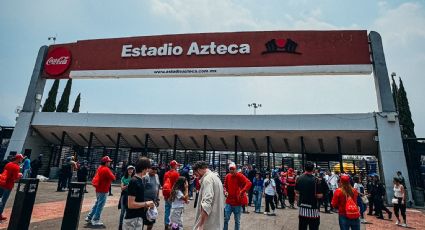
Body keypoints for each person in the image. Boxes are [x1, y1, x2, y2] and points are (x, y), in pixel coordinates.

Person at [123, 157, 155, 230]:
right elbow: (131, 204)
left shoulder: (139, 180)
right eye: (148, 168)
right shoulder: (134, 181)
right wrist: (146, 204)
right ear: (144, 168)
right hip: (133, 219)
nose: (149, 170)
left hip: (136, 218)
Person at [192, 161, 224, 230]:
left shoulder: (207, 179)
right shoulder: (215, 177)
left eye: (196, 173)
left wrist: (201, 225)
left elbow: (206, 203)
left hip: (209, 224)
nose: (196, 176)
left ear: (199, 170)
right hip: (216, 223)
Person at [85, 156, 116, 226]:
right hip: (103, 189)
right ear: (106, 162)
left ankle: (89, 217)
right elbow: (113, 178)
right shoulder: (106, 169)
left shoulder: (100, 168)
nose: (110, 163)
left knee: (97, 204)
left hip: (98, 189)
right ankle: (96, 219)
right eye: (109, 162)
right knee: (100, 205)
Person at [223, 163, 252, 230]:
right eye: (230, 170)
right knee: (225, 219)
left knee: (237, 221)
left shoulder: (240, 176)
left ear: (235, 169)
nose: (232, 172)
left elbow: (249, 183)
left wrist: (242, 191)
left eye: (233, 170)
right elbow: (225, 187)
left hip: (237, 203)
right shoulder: (227, 176)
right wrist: (225, 192)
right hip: (229, 202)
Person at [295, 162, 323, 230]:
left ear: (305, 168)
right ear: (313, 169)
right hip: (313, 210)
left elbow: (296, 193)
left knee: (302, 227)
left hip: (302, 209)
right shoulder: (316, 180)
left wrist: (298, 202)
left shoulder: (299, 178)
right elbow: (319, 195)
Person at [0, 154, 23, 221]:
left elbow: (5, 172)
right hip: (8, 185)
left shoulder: (8, 164)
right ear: (19, 159)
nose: (21, 160)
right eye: (21, 159)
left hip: (2, 183)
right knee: (3, 201)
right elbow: (15, 178)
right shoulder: (16, 167)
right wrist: (19, 175)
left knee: (0, 198)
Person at [163, 160, 180, 229]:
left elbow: (164, 184)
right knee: (174, 210)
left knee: (167, 209)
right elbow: (178, 185)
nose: (177, 166)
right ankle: (173, 226)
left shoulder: (166, 173)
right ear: (174, 166)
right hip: (173, 194)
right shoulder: (176, 174)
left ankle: (166, 224)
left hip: (167, 194)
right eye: (177, 165)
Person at [143, 163, 161, 230]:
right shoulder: (145, 177)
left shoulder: (157, 176)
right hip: (145, 202)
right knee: (142, 220)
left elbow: (157, 188)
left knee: (151, 220)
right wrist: (142, 202)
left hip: (153, 202)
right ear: (149, 168)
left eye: (156, 169)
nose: (154, 170)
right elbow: (141, 190)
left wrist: (157, 199)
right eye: (153, 168)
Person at [118, 165, 135, 230]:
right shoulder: (123, 178)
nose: (130, 170)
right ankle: (120, 226)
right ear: (127, 170)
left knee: (130, 211)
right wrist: (128, 185)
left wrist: (127, 186)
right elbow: (122, 188)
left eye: (132, 169)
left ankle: (128, 226)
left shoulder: (134, 178)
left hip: (132, 196)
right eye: (129, 169)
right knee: (123, 211)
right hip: (124, 196)